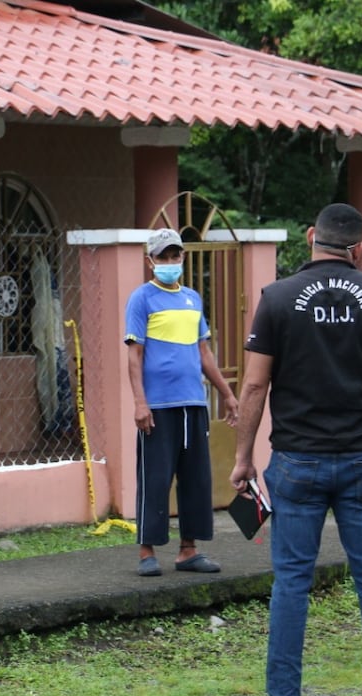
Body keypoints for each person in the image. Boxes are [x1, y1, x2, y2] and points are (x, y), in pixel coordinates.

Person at [230, 203, 362, 696]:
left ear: (312, 236)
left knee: (291, 580)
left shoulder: (277, 298)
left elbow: (253, 385)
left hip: (297, 462)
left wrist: (244, 457)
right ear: (358, 248)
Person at [125, 227, 240, 577]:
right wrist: (140, 403)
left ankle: (188, 550)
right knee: (155, 478)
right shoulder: (142, 299)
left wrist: (227, 393)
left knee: (196, 478)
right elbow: (135, 355)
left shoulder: (192, 299)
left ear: (183, 258)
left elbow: (204, 351)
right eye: (163, 257)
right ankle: (147, 552)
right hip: (158, 407)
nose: (170, 262)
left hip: (193, 403)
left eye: (175, 256)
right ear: (150, 261)